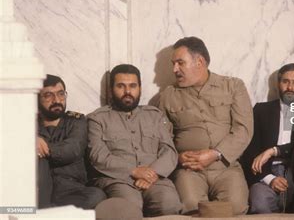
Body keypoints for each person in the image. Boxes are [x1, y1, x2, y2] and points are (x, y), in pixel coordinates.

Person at [158, 36, 253, 215]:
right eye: (173, 64)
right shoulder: (168, 95)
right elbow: (162, 139)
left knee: (235, 207)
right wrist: (177, 157)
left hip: (226, 167)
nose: (174, 69)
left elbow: (244, 129)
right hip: (189, 170)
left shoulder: (233, 86)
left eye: (180, 63)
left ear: (199, 62)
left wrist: (215, 154)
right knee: (191, 206)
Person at [88, 64, 181, 217]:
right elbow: (98, 157)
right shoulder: (97, 119)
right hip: (118, 179)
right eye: (121, 86)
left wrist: (153, 173)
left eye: (133, 86)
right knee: (129, 208)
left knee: (169, 204)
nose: (128, 92)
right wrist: (134, 171)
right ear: (111, 89)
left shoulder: (154, 116)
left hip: (155, 179)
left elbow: (169, 151)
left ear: (140, 88)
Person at [241, 63, 294, 214]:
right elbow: (249, 149)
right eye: (285, 81)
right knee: (259, 204)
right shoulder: (261, 110)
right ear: (278, 84)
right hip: (266, 174)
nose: (290, 87)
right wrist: (269, 178)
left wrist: (274, 151)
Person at [37, 74, 106, 209]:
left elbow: (73, 149)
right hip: (39, 189)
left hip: (71, 190)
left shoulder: (77, 120)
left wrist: (42, 148)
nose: (56, 100)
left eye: (61, 94)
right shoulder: (28, 123)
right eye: (48, 95)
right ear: (37, 99)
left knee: (96, 196)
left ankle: (48, 213)